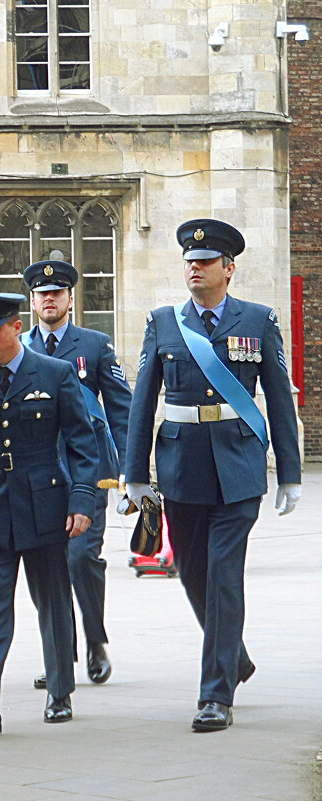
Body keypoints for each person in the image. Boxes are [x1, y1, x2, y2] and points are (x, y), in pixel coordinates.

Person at [125, 219, 300, 732]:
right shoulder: (162, 322)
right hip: (181, 466)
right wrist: (135, 474)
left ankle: (214, 695)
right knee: (195, 576)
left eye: (204, 261)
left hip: (239, 466)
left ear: (228, 268)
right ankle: (234, 657)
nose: (194, 268)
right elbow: (142, 402)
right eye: (189, 261)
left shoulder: (258, 320)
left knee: (224, 575)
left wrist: (289, 472)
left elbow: (279, 399)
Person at [0, 293, 98, 734]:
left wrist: (82, 501)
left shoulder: (54, 373)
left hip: (44, 503)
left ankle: (60, 692)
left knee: (51, 600)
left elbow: (81, 444)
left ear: (15, 325)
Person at [22, 260, 131, 688]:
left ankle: (95, 640)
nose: (49, 299)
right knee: (48, 566)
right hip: (36, 475)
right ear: (32, 301)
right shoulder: (18, 346)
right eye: (41, 293)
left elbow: (122, 410)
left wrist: (130, 472)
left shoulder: (95, 344)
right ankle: (58, 654)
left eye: (57, 293)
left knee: (82, 558)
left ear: (70, 299)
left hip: (88, 471)